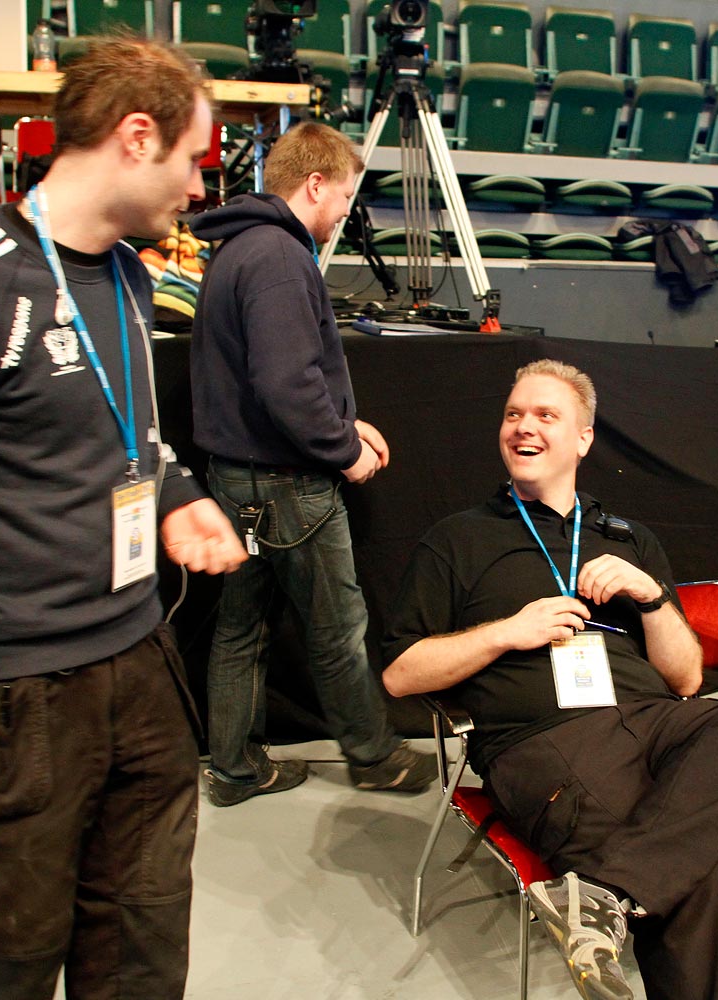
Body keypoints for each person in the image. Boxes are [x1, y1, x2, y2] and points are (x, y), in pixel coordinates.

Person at [0, 38, 248, 1000]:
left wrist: (180, 500)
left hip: (141, 665)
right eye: (193, 159)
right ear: (136, 137)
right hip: (12, 696)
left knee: (144, 942)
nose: (199, 185)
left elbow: (135, 439)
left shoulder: (131, 278)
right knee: (21, 952)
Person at [382, 359, 718, 1000]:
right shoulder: (458, 540)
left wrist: (653, 597)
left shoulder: (628, 538)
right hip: (545, 739)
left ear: (583, 438)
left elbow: (688, 676)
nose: (523, 427)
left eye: (545, 415)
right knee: (691, 874)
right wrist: (506, 631)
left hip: (652, 719)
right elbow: (398, 676)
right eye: (513, 414)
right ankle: (616, 893)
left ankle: (604, 896)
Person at [188, 121, 434, 805]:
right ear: (316, 183)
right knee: (337, 632)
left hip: (235, 479)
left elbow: (260, 379)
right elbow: (287, 383)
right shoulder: (278, 256)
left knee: (241, 632)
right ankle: (375, 758)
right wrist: (343, 448)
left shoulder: (239, 248)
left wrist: (338, 421)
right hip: (288, 482)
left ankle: (235, 769)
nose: (345, 214)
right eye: (346, 196)